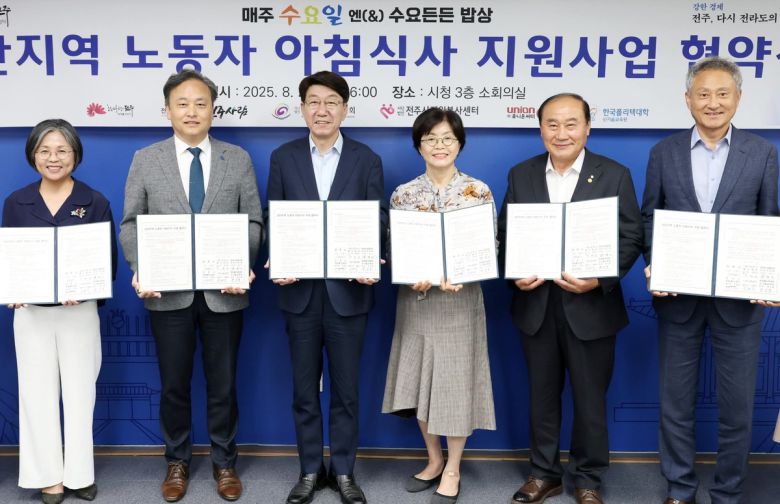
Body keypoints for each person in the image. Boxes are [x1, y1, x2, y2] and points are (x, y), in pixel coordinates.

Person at [119, 69, 263, 502]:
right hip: (168, 294)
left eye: (201, 103)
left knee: (223, 384)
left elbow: (253, 221)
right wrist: (142, 267)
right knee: (173, 385)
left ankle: (224, 462)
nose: (192, 111)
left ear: (213, 110)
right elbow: (131, 223)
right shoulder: (146, 159)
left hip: (225, 295)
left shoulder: (237, 158)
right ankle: (176, 462)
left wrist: (241, 265)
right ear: (167, 111)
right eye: (182, 104)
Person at [641, 56, 778, 504]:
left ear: (738, 98)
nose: (712, 103)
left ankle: (727, 493)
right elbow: (650, 216)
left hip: (739, 302)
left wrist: (769, 277)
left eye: (722, 93)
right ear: (688, 100)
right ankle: (680, 489)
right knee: (675, 403)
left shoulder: (762, 152)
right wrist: (655, 263)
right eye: (703, 94)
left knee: (737, 408)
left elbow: (769, 221)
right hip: (677, 297)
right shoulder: (664, 152)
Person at [497, 93, 643, 504]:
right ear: (541, 129)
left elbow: (631, 235)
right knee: (541, 397)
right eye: (552, 124)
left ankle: (588, 478)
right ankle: (544, 474)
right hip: (537, 305)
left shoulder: (613, 174)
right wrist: (515, 274)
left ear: (587, 128)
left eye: (571, 124)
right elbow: (506, 233)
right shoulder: (521, 174)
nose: (561, 133)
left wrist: (599, 279)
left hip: (592, 306)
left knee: (590, 399)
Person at [266, 70, 386, 504]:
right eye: (314, 101)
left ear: (345, 109)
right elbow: (274, 214)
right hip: (298, 291)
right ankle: (310, 470)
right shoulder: (283, 157)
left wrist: (371, 256)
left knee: (346, 391)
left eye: (331, 102)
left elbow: (377, 217)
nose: (322, 110)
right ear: (302, 109)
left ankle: (345, 471)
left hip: (348, 292)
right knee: (304, 390)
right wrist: (277, 257)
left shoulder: (366, 158)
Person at [382, 108, 496, 504]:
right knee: (422, 382)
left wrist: (464, 271)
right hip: (417, 300)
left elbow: (490, 246)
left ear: (459, 143)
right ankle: (433, 459)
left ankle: (453, 467)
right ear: (419, 146)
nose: (439, 146)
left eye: (447, 138)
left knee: (455, 383)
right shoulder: (403, 194)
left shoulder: (478, 191)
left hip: (460, 301)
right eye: (430, 139)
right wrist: (409, 273)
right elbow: (395, 247)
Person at [3, 119, 117, 504]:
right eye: (45, 151)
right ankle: (46, 476)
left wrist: (86, 289)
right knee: (36, 395)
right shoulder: (16, 202)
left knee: (81, 393)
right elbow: (11, 258)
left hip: (78, 313)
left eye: (62, 150)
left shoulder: (94, 201)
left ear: (75, 155)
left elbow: (107, 263)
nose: (53, 158)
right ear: (33, 155)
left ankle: (79, 475)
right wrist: (13, 289)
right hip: (31, 314)